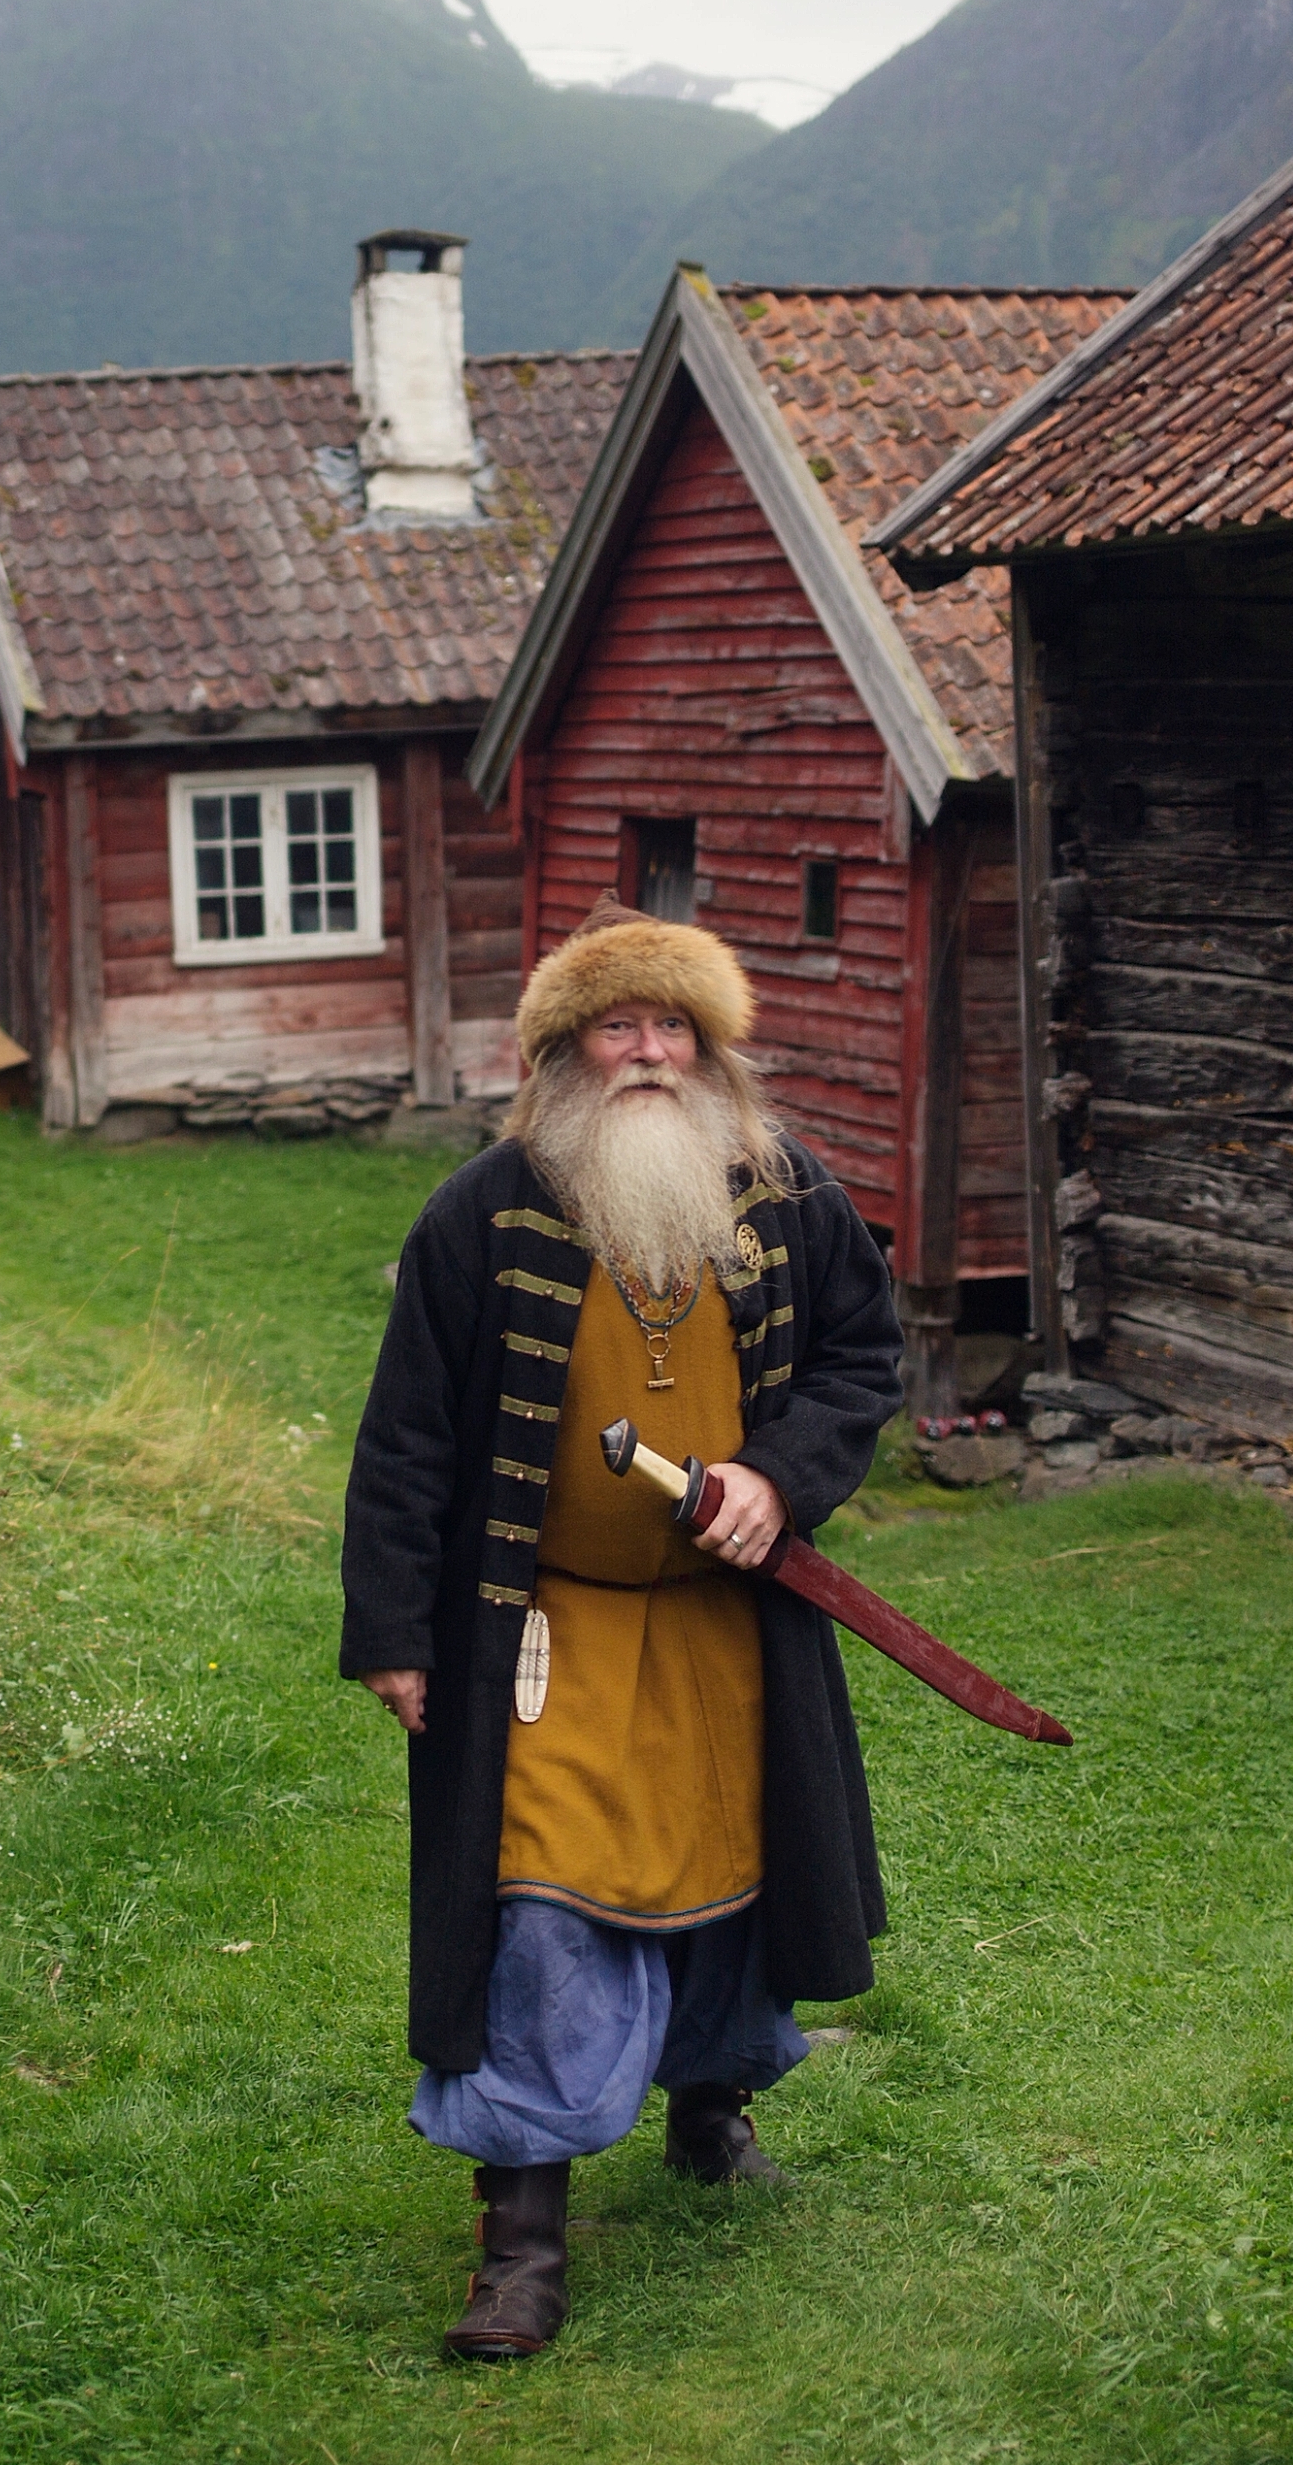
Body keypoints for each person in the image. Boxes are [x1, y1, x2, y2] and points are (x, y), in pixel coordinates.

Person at [340, 897, 905, 2358]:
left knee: (738, 1870)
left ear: (710, 1047)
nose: (648, 1052)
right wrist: (398, 1631)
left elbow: (861, 1354)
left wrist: (780, 1478)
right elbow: (406, 1439)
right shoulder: (483, 1215)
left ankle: (712, 2112)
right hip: (547, 1635)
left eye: (673, 1026)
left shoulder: (784, 1196)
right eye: (618, 1025)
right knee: (539, 1906)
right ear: (562, 1054)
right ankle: (521, 2242)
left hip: (730, 1623)